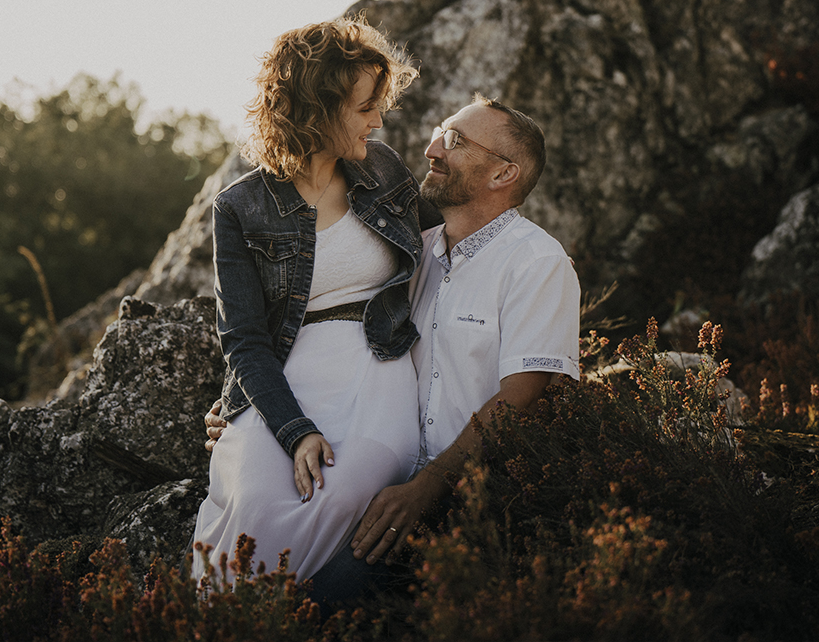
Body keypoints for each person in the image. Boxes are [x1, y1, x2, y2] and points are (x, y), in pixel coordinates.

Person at [205, 95, 581, 598]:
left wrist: (427, 490)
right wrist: (250, 403)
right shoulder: (414, 253)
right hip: (383, 476)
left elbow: (524, 397)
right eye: (440, 130)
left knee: (322, 601)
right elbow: (314, 320)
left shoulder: (536, 262)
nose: (430, 149)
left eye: (455, 140)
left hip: (467, 490)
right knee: (256, 546)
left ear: (502, 175)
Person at [190, 17, 431, 586]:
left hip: (377, 363)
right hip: (287, 376)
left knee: (346, 493)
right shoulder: (240, 208)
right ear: (316, 109)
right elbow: (245, 342)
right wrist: (295, 429)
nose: (378, 120)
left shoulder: (384, 169)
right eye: (365, 107)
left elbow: (447, 238)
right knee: (252, 512)